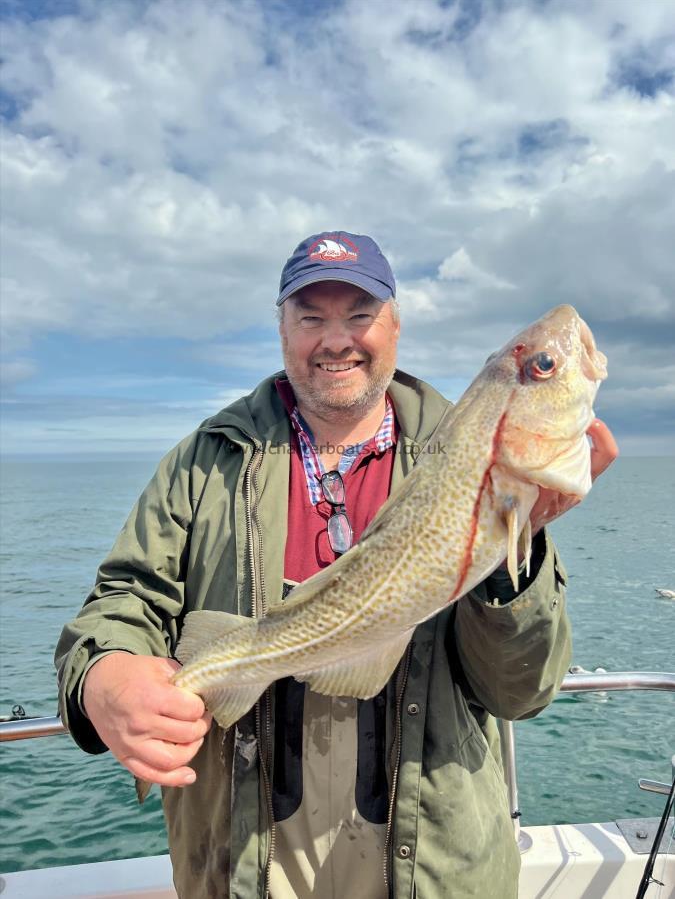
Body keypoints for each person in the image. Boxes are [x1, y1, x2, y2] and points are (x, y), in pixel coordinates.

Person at [55, 231, 617, 899]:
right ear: (281, 327)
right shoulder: (204, 460)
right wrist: (103, 677)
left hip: (432, 858)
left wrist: (511, 552)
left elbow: (519, 693)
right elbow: (125, 598)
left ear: (395, 325)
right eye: (311, 316)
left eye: (359, 314)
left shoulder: (461, 449)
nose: (335, 339)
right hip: (245, 858)